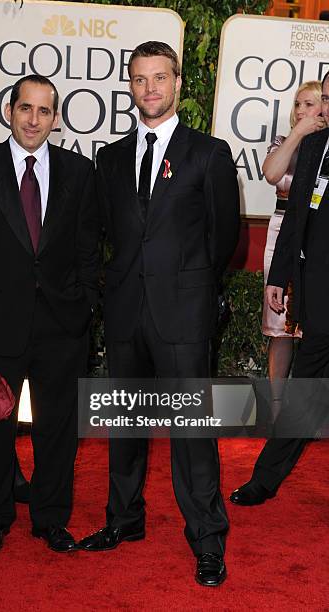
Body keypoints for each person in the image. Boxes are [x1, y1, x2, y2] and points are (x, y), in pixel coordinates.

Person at [78, 42, 240, 587]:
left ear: (177, 83)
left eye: (160, 78)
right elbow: (108, 235)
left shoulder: (209, 154)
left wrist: (190, 289)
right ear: (130, 86)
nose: (150, 88)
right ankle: (123, 521)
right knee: (126, 425)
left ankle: (208, 540)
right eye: (139, 79)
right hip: (125, 313)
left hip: (183, 315)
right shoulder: (111, 158)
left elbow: (224, 242)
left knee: (192, 433)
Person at [0, 74, 99, 553]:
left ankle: (50, 517)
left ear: (55, 118)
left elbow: (88, 250)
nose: (34, 120)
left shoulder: (78, 172)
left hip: (62, 325)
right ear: (9, 110)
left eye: (44, 111)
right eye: (25, 109)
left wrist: (86, 305)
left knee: (58, 429)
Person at [230, 71, 329, 506]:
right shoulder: (312, 145)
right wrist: (277, 277)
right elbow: (296, 221)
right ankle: (266, 479)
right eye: (324, 98)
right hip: (319, 289)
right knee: (305, 388)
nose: (325, 107)